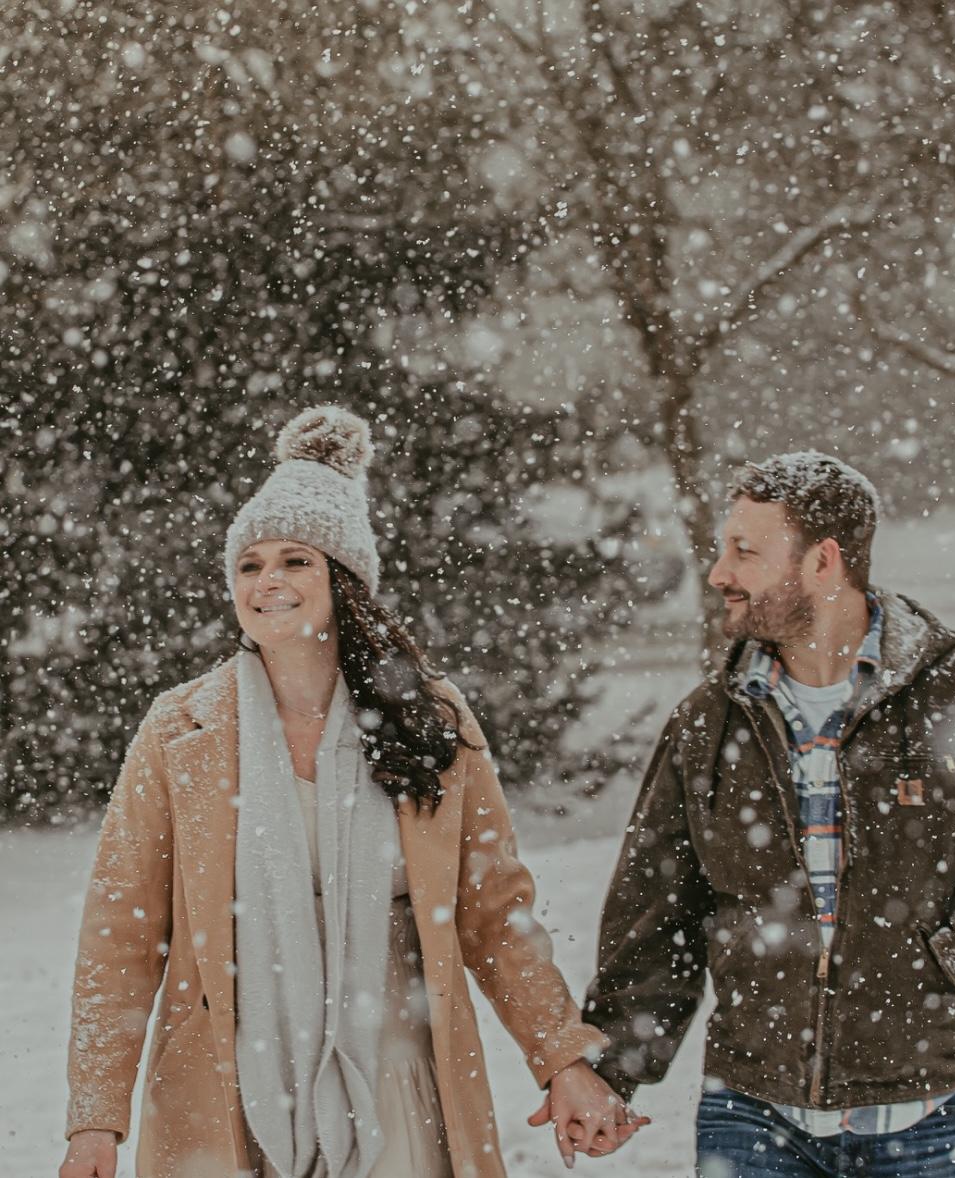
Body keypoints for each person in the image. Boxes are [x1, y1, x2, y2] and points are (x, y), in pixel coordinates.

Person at [59, 406, 645, 1178]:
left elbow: (494, 913)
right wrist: (95, 1119)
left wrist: (562, 1057)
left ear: (344, 578)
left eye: (295, 560)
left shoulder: (428, 719)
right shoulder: (180, 730)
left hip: (400, 1075)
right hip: (222, 1086)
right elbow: (121, 936)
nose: (268, 581)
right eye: (249, 564)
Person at [581, 451, 955, 1178]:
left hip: (932, 1115)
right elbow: (658, 907)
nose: (718, 573)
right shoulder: (711, 722)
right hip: (752, 1112)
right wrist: (611, 1065)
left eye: (744, 551)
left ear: (823, 563)